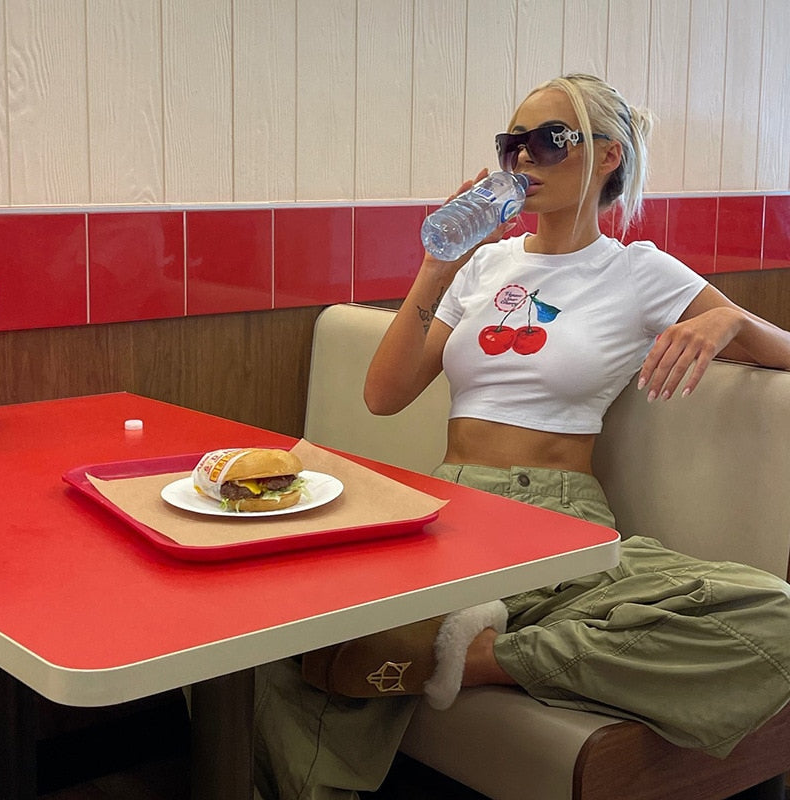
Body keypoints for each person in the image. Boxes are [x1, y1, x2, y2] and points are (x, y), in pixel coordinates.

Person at [253, 73, 790, 800]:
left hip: (562, 522)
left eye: (548, 141)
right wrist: (437, 264)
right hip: (451, 509)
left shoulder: (637, 270)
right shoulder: (483, 264)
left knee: (774, 616)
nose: (524, 161)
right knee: (284, 625)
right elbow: (384, 395)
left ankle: (482, 657)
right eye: (513, 145)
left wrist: (732, 320)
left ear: (607, 155)